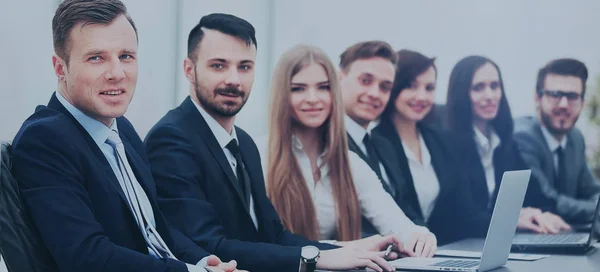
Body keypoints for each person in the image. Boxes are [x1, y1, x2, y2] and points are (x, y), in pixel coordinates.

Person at [145, 14, 399, 272]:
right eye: (218, 65)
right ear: (189, 69)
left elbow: (274, 236)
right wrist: (316, 259)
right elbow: (209, 246)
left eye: (244, 67)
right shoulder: (171, 139)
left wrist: (347, 252)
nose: (234, 79)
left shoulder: (243, 143)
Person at [10, 1, 238, 271]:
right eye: (96, 57)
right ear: (60, 68)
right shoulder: (45, 139)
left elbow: (153, 228)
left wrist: (203, 262)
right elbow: (88, 257)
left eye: (126, 56)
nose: (117, 74)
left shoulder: (122, 130)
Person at [258, 43, 436, 257]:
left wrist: (421, 236)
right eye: (298, 88)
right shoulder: (258, 155)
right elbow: (258, 243)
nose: (313, 98)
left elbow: (395, 222)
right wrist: (347, 248)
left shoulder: (349, 163)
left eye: (323, 87)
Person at [373, 50, 495, 245]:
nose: (422, 96)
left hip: (441, 250)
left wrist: (509, 221)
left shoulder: (439, 140)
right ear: (394, 88)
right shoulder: (376, 141)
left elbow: (463, 210)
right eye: (411, 86)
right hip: (401, 252)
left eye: (429, 88)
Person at [445, 55, 571, 234]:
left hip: (495, 245)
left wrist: (543, 213)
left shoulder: (504, 142)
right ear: (461, 93)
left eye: (494, 86)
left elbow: (536, 195)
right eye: (478, 88)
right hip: (458, 247)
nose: (490, 96)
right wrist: (513, 219)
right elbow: (462, 217)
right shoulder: (448, 144)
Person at [337, 41, 433, 243]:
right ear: (339, 78)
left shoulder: (382, 145)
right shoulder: (326, 144)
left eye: (385, 87)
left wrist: (425, 238)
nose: (375, 93)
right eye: (365, 81)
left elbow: (406, 210)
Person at [514, 58, 600, 222]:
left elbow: (590, 189)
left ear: (582, 102)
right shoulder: (522, 137)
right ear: (537, 99)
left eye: (572, 96)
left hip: (565, 235)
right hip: (531, 241)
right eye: (555, 94)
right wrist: (595, 210)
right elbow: (548, 201)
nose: (563, 104)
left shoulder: (576, 138)